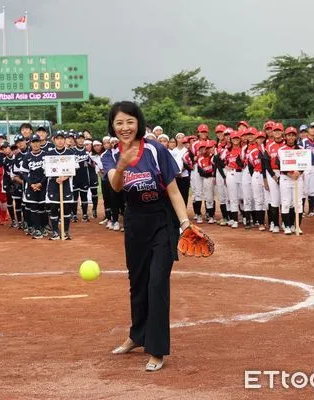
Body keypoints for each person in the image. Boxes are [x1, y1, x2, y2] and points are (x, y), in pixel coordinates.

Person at [103, 101, 209, 372]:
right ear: (112, 127)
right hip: (135, 223)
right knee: (137, 283)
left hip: (162, 221)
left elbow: (173, 190)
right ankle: (136, 336)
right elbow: (115, 188)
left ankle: (157, 349)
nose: (125, 127)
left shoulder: (156, 149)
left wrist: (185, 223)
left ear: (138, 123)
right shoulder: (110, 155)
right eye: (119, 123)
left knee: (157, 283)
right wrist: (123, 164)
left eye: (130, 121)